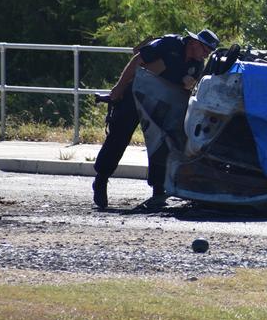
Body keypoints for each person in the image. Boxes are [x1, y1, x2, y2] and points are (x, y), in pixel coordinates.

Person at [92, 29, 220, 209]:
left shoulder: (197, 65)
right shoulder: (168, 44)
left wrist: (188, 86)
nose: (206, 54)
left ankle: (159, 190)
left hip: (161, 106)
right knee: (119, 137)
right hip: (134, 96)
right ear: (193, 43)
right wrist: (118, 89)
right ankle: (101, 179)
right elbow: (137, 61)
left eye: (209, 52)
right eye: (205, 49)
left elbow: (185, 93)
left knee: (163, 142)